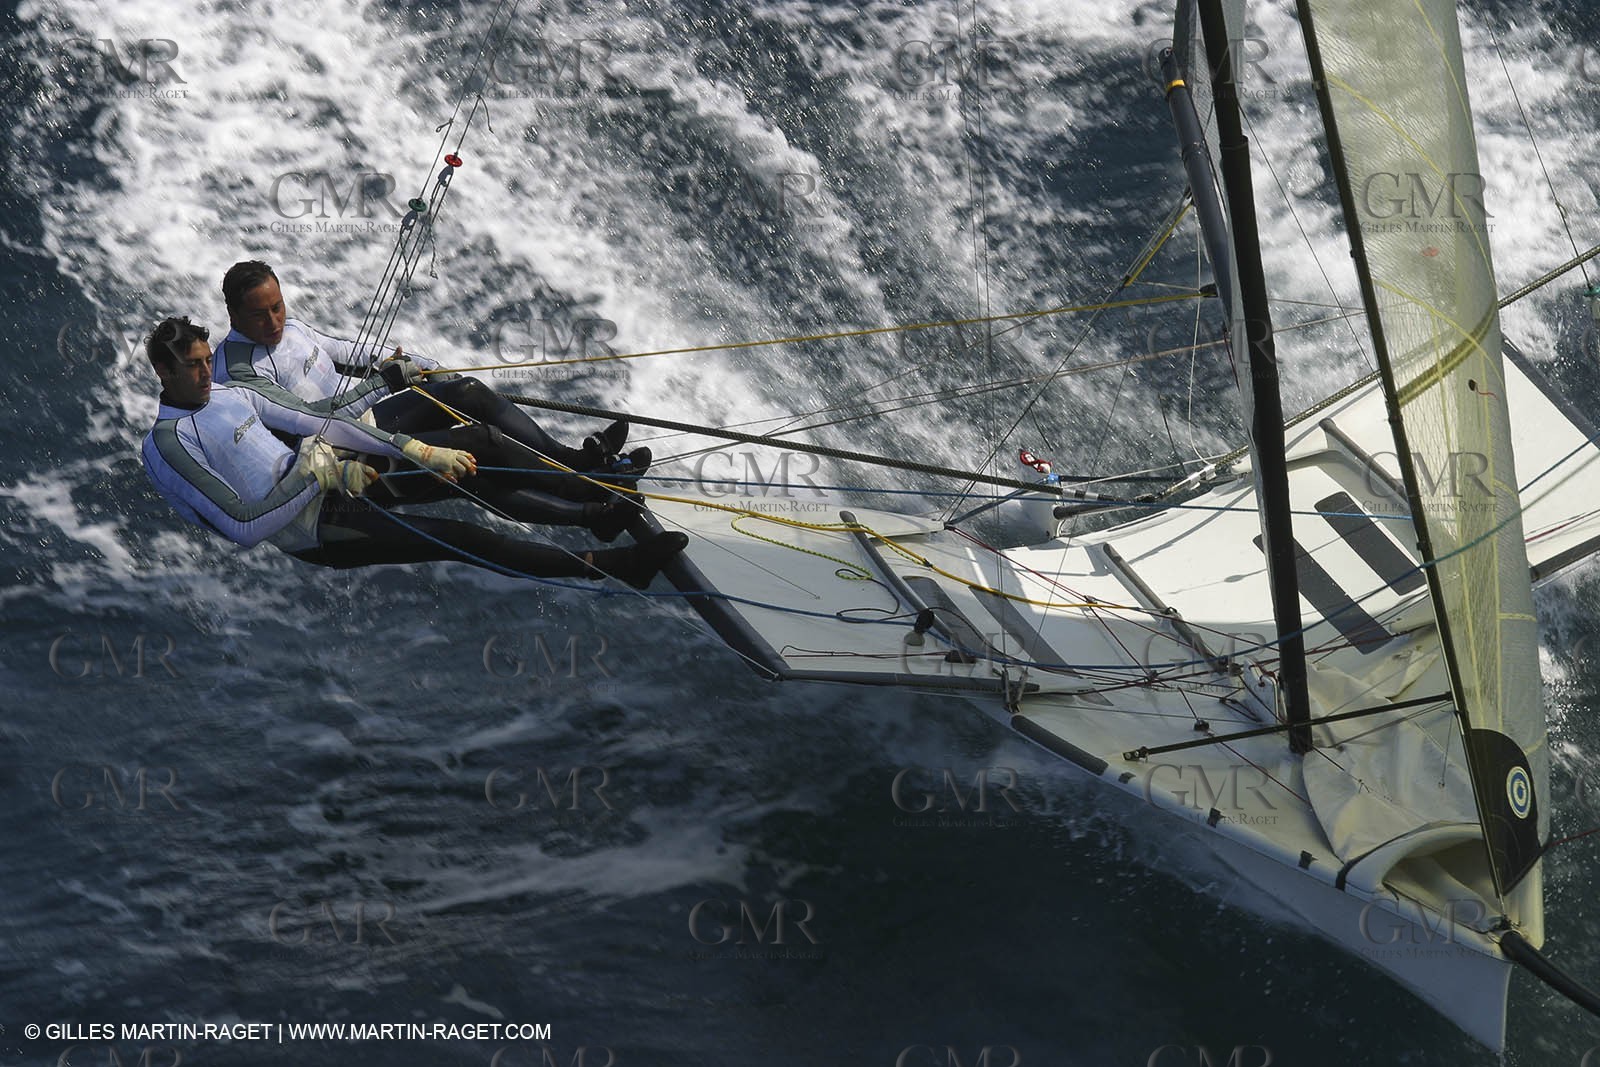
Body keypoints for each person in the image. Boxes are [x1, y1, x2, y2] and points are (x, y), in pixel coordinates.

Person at [141, 316, 685, 585]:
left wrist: (415, 449)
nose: (205, 371)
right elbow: (243, 528)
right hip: (315, 529)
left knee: (470, 465)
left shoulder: (231, 392)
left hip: (339, 476)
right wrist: (316, 474)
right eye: (192, 366)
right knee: (462, 538)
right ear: (163, 372)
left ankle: (595, 504)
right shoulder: (167, 445)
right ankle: (613, 567)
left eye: (206, 359)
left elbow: (322, 421)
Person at [210, 260, 648, 493]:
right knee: (483, 437)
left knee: (465, 390)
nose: (274, 320)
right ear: (233, 314)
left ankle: (579, 462)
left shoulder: (292, 328)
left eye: (278, 306)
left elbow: (345, 350)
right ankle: (590, 484)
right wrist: (383, 382)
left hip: (367, 419)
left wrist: (422, 366)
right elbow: (310, 419)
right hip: (338, 450)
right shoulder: (235, 372)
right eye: (260, 313)